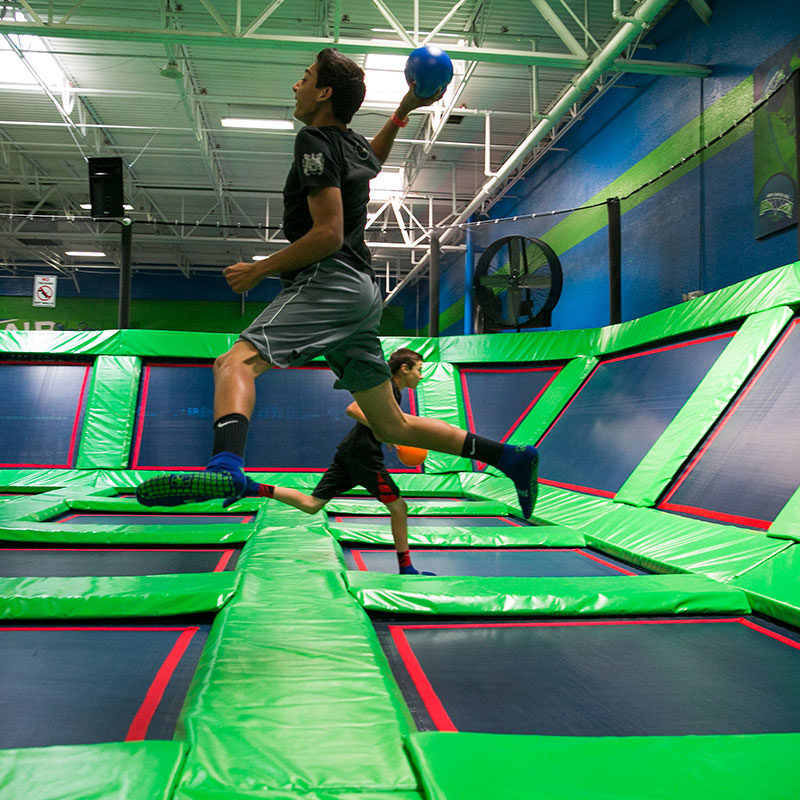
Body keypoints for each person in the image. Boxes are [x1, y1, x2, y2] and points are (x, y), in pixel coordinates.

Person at [136, 47, 539, 519]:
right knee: (392, 426)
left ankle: (225, 464)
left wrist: (260, 269)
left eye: (305, 77)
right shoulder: (348, 144)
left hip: (331, 280)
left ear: (324, 92)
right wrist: (404, 110)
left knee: (234, 362)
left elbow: (327, 234)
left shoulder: (312, 139)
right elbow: (371, 161)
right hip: (362, 295)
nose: (297, 85)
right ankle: (510, 458)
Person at [248, 347, 434, 575]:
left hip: (349, 452)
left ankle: (252, 488)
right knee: (399, 507)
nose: (421, 376)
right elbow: (353, 409)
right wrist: (383, 432)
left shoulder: (391, 391)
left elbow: (384, 422)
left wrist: (387, 434)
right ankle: (406, 567)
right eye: (419, 370)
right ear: (405, 369)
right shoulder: (388, 390)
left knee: (312, 505)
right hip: (364, 458)